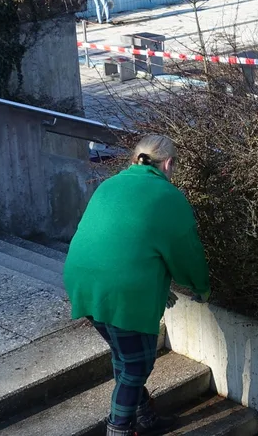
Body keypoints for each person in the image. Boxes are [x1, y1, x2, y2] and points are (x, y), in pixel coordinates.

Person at [64, 135, 213, 436]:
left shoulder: (111, 184)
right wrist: (201, 287)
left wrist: (156, 286)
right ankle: (118, 430)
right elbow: (187, 253)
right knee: (135, 367)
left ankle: (145, 417)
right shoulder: (167, 196)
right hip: (123, 290)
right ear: (168, 164)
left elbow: (122, 243)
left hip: (83, 281)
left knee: (125, 356)